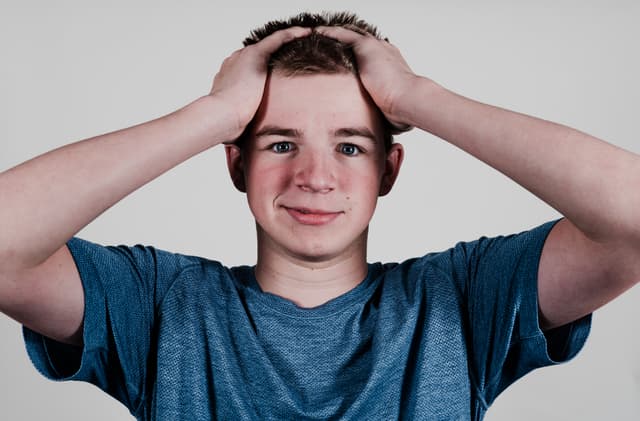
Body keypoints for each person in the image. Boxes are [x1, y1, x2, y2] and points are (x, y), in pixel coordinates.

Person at [0, 11, 638, 420]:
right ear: (234, 165)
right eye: (280, 143)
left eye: (350, 146)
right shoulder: (160, 303)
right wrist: (212, 116)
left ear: (389, 169)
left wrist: (418, 98)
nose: (314, 176)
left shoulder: (463, 298)